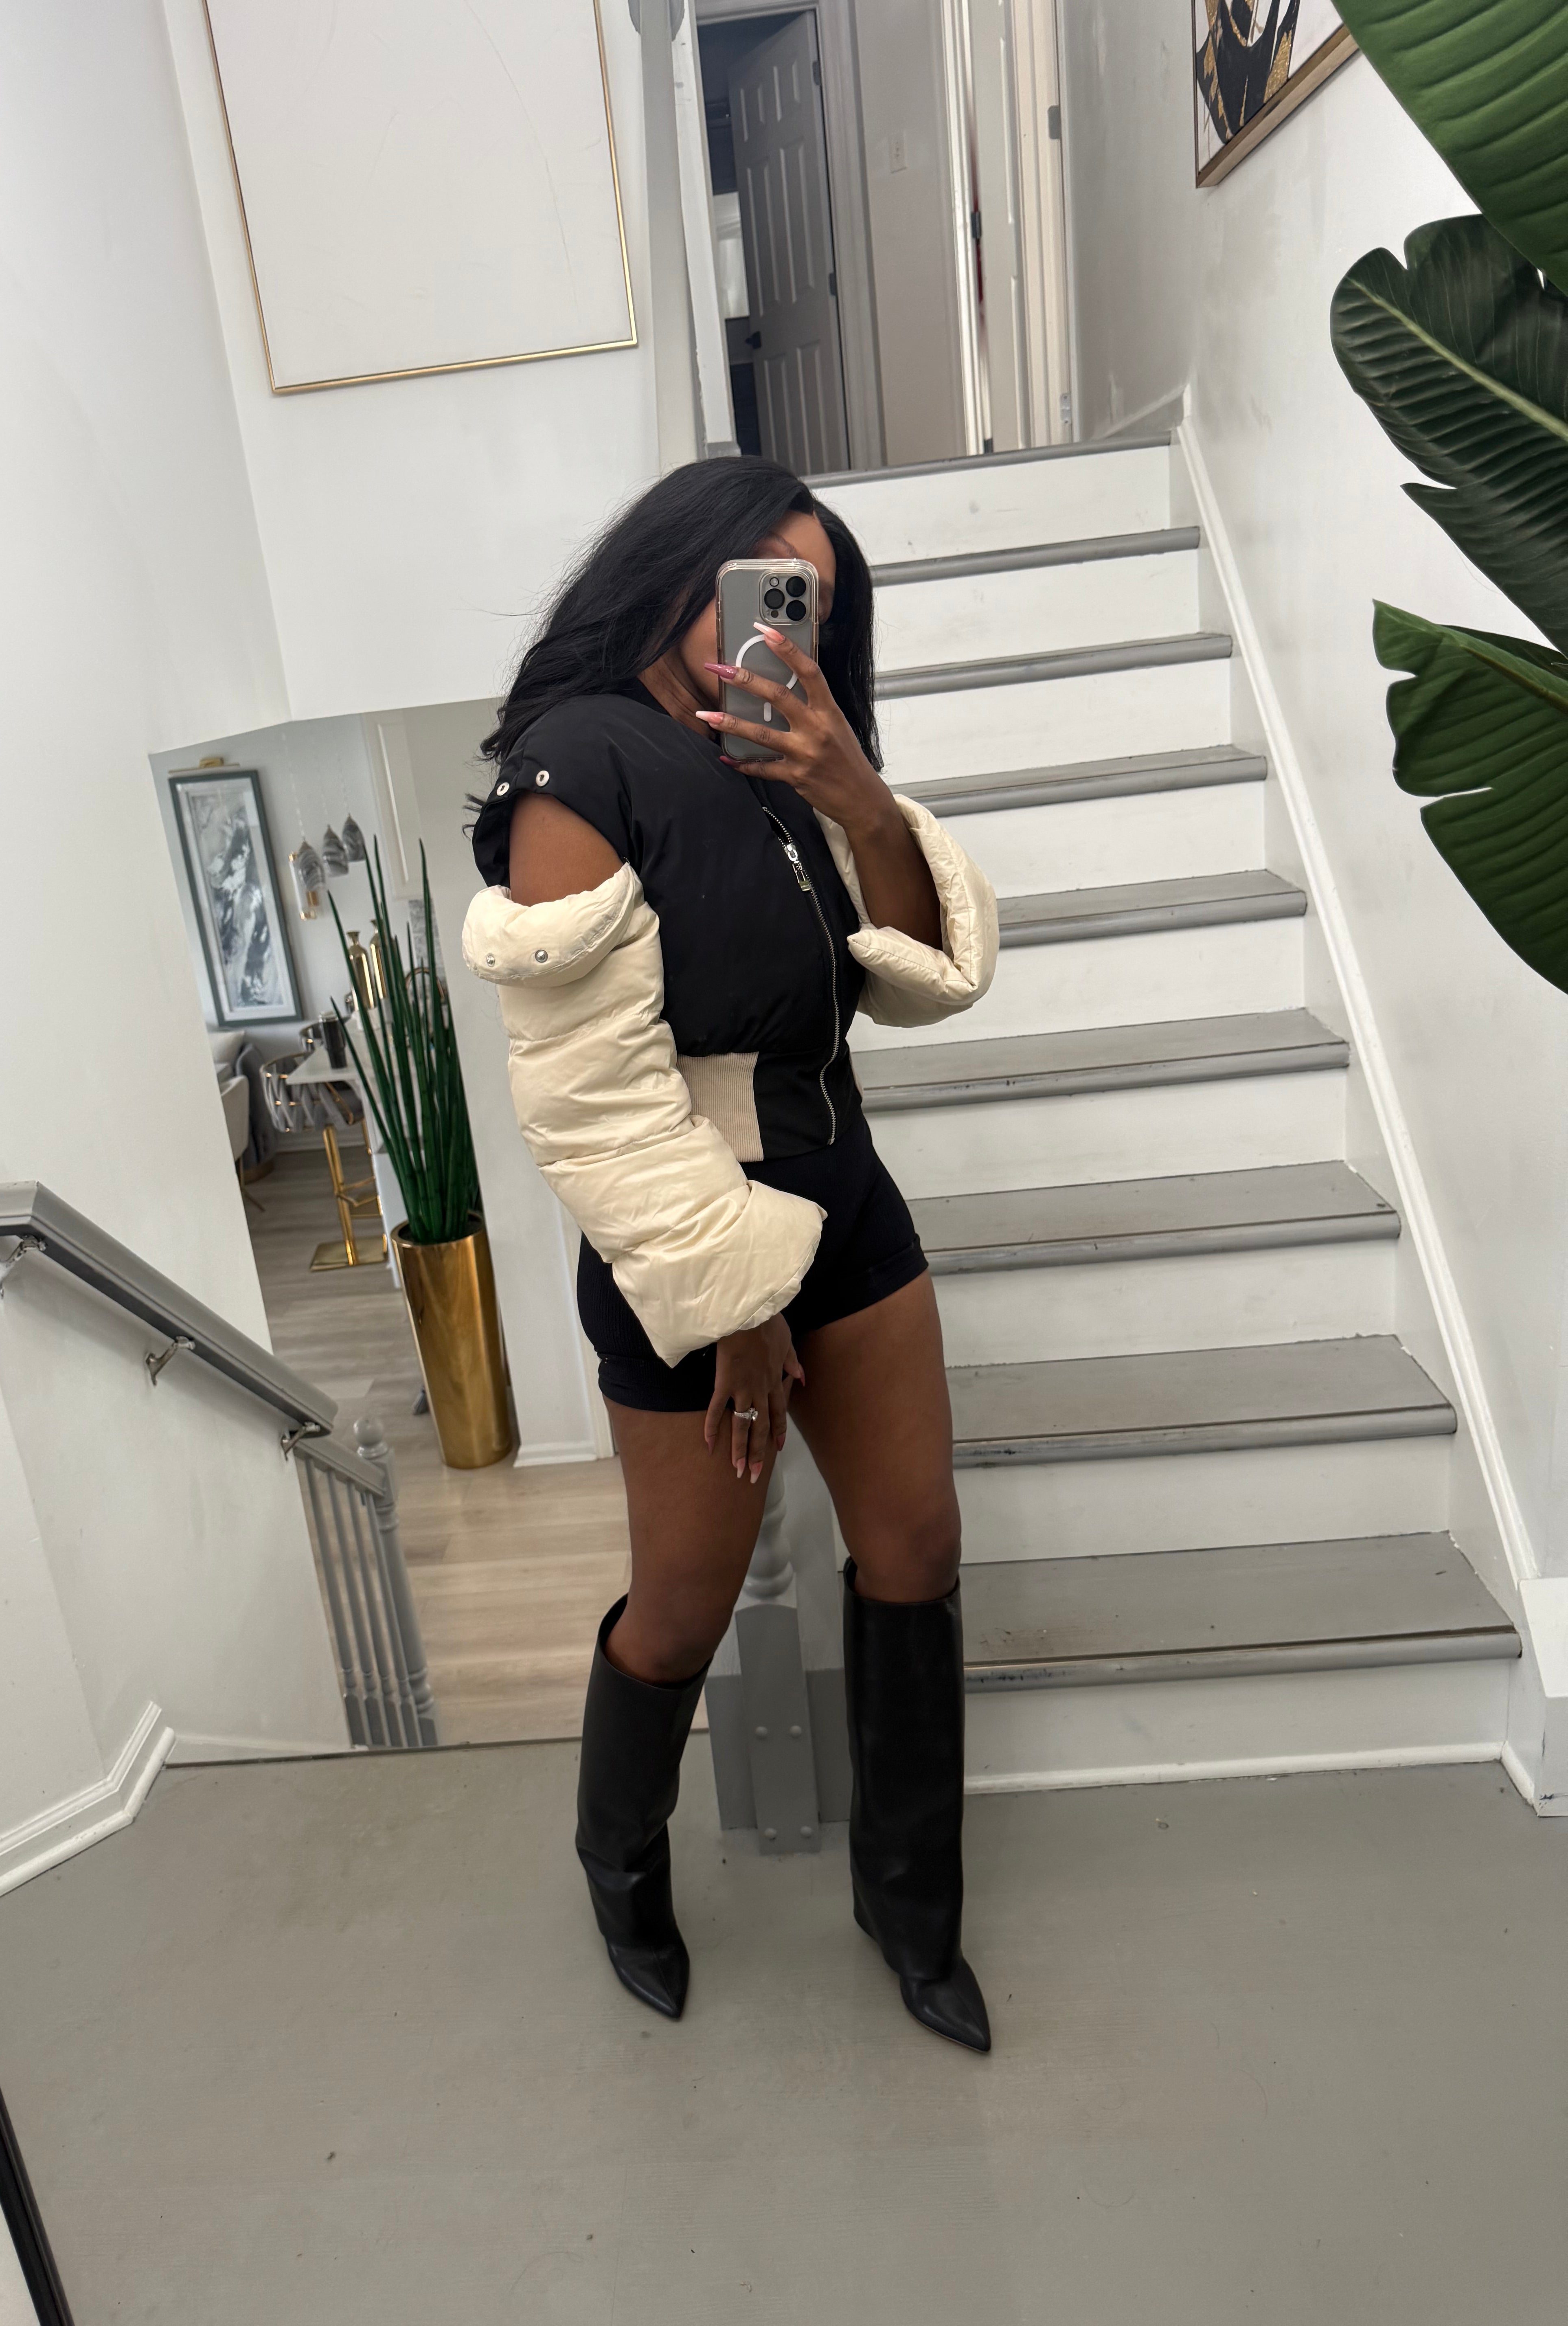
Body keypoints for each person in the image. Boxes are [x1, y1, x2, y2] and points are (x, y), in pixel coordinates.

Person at [463, 458, 998, 2052]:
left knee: (917, 1546)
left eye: (810, 596)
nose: (782, 611)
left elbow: (914, 975)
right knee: (686, 1603)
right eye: (762, 570)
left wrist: (857, 795)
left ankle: (913, 1914)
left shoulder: (781, 752)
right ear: (679, 562)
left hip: (849, 1207)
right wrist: (737, 1309)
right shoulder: (578, 764)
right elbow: (598, 1105)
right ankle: (619, 1867)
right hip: (683, 1251)